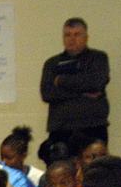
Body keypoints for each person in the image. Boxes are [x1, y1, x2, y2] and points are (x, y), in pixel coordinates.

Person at [40, 18, 110, 157]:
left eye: (77, 34)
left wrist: (61, 80)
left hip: (93, 127)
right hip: (61, 129)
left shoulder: (98, 58)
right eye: (67, 35)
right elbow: (47, 94)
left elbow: (96, 83)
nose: (72, 39)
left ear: (86, 37)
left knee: (95, 171)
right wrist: (83, 93)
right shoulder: (52, 63)